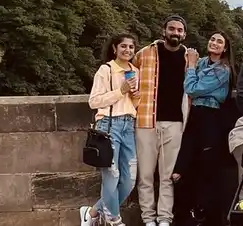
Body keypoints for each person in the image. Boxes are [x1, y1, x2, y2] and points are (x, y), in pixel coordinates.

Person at [171, 31, 235, 226]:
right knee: (185, 167)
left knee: (208, 167)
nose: (214, 43)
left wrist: (190, 66)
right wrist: (192, 67)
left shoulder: (223, 69)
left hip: (211, 117)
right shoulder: (201, 63)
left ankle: (209, 216)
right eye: (213, 39)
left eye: (220, 42)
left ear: (225, 48)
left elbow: (192, 89)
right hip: (194, 116)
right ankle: (187, 214)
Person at [134, 15, 191, 226]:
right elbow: (129, 75)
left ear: (184, 34)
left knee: (168, 177)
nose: (175, 33)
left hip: (176, 124)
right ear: (164, 30)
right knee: (146, 175)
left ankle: (165, 219)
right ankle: (148, 219)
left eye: (179, 30)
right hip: (146, 121)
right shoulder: (145, 53)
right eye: (172, 29)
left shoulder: (189, 57)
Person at [80, 33, 142, 226]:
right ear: (114, 48)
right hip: (108, 125)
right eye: (123, 46)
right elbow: (94, 101)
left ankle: (92, 212)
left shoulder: (134, 70)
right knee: (112, 176)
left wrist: (135, 96)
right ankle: (114, 221)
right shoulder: (106, 70)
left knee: (129, 180)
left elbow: (133, 104)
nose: (128, 50)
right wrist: (120, 91)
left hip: (128, 125)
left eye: (131, 47)